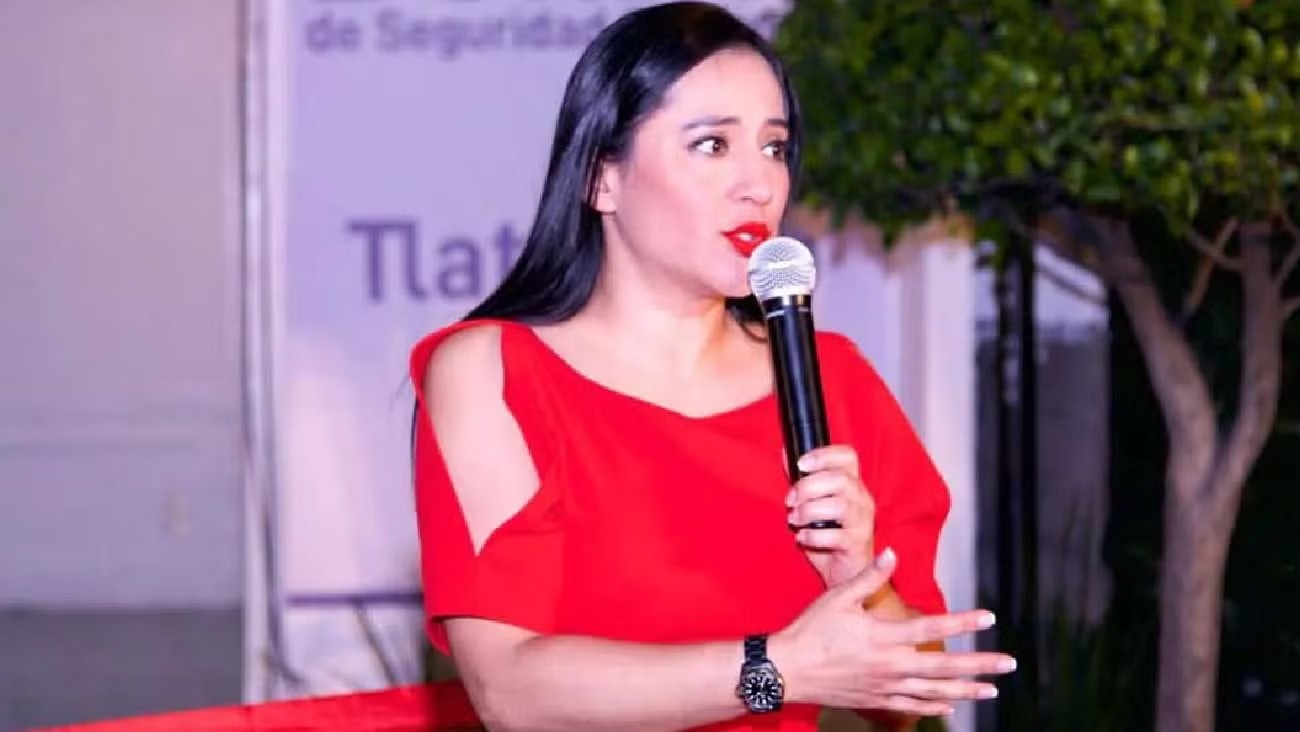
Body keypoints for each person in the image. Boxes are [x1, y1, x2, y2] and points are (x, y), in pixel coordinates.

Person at [407, 3, 1015, 730]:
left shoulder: (831, 377)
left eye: (774, 147)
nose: (759, 183)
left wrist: (857, 573)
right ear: (602, 179)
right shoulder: (493, 372)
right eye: (711, 145)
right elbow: (509, 694)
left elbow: (907, 705)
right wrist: (776, 668)